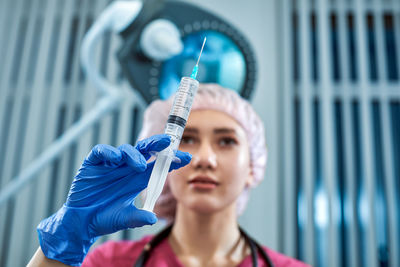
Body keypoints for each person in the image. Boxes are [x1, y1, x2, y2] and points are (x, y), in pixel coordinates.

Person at [28, 84, 309, 267]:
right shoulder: (110, 262)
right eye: (186, 139)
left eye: (226, 142)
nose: (204, 160)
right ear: (160, 156)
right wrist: (67, 237)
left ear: (253, 166)